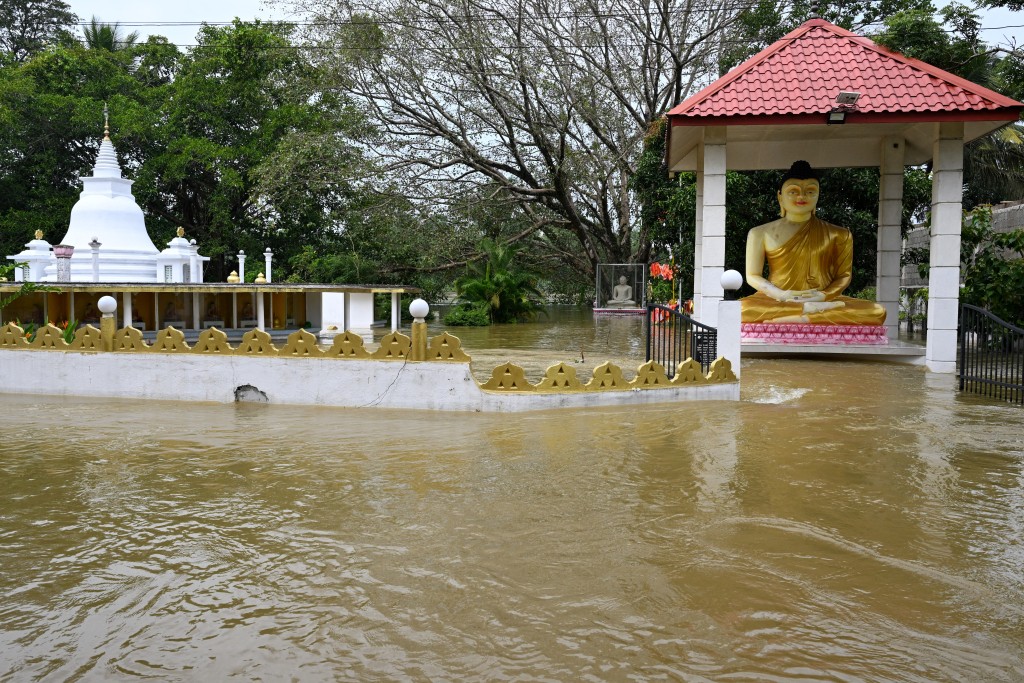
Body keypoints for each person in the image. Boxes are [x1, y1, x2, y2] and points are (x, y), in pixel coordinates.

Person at [741, 161, 886, 325]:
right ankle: (809, 313)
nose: (802, 197)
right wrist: (781, 295)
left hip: (824, 299)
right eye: (793, 191)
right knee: (741, 310)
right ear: (779, 196)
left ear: (818, 195)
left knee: (876, 312)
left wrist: (823, 296)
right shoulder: (760, 233)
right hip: (778, 299)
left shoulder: (839, 234)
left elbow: (843, 276)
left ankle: (802, 314)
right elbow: (752, 275)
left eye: (810, 191)